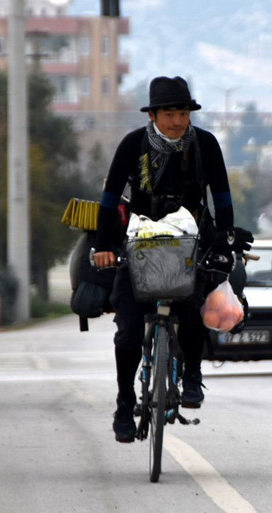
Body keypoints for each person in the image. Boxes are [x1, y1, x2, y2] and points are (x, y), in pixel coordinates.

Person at [92, 76, 252, 443]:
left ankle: (193, 375)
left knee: (199, 302)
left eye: (183, 113)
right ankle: (123, 402)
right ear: (152, 114)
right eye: (169, 113)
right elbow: (109, 197)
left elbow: (223, 198)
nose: (178, 121)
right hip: (140, 244)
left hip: (191, 243)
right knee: (129, 329)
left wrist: (226, 239)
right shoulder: (133, 145)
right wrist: (105, 246)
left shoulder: (206, 145)